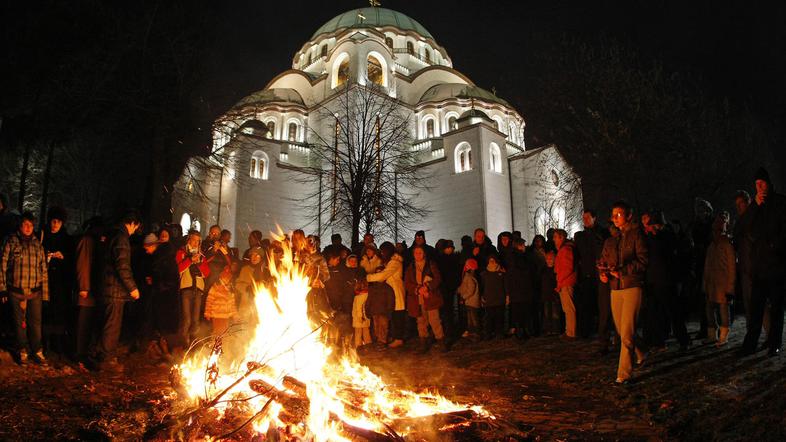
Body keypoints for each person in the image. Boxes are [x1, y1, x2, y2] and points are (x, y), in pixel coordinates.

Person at [599, 201, 648, 385]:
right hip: (615, 288)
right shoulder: (611, 241)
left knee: (626, 332)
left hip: (632, 286)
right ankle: (642, 352)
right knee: (622, 330)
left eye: (619, 214)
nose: (615, 218)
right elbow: (603, 260)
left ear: (628, 215)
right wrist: (603, 272)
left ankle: (624, 374)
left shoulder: (636, 236)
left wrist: (624, 271)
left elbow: (643, 260)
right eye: (613, 215)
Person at [740, 167, 786, 357]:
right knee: (755, 310)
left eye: (762, 183)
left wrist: (774, 246)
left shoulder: (781, 203)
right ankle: (750, 345)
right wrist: (754, 207)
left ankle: (774, 343)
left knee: (776, 310)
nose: (759, 187)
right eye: (756, 184)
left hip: (776, 267)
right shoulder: (755, 206)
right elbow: (741, 228)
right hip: (759, 268)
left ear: (768, 183)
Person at [0, 212, 49, 365]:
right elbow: (1, 266)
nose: (28, 228)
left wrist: (45, 295)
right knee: (19, 323)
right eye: (25, 224)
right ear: (20, 226)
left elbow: (44, 271)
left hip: (35, 292)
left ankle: (37, 351)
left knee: (35, 323)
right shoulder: (11, 242)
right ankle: (22, 351)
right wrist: (2, 288)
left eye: (31, 225)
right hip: (16, 291)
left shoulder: (37, 244)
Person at [97, 210, 142, 372]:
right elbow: (122, 265)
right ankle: (106, 359)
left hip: (108, 287)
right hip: (114, 290)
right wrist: (132, 288)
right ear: (131, 223)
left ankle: (102, 354)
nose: (135, 231)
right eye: (135, 227)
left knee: (108, 322)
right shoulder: (122, 238)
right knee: (112, 325)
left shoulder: (113, 235)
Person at [642, 211, 689, 351]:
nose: (648, 228)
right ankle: (661, 340)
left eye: (650, 225)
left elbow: (672, 257)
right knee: (660, 313)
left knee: (673, 312)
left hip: (666, 281)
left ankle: (682, 340)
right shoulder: (656, 237)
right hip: (656, 280)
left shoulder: (666, 237)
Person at [74, 217, 106, 368]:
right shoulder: (88, 240)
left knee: (88, 324)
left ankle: (85, 353)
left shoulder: (95, 240)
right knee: (83, 324)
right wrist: (83, 287)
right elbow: (83, 263)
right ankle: (80, 355)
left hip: (93, 289)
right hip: (87, 291)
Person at [732, 190, 765, 338]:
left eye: (741, 204)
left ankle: (768, 335)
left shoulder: (755, 218)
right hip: (745, 267)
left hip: (756, 267)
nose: (739, 208)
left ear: (748, 202)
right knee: (748, 304)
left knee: (759, 304)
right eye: (737, 205)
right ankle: (751, 336)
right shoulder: (741, 221)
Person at [40, 206, 72, 354]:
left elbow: (72, 260)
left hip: (60, 282)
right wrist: (46, 258)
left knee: (59, 311)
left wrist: (63, 257)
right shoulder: (42, 236)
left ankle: (57, 342)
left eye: (59, 222)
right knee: (45, 310)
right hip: (45, 281)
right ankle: (45, 342)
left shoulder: (66, 239)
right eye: (54, 221)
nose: (55, 224)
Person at [573, 209, 609, 339]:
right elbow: (577, 255)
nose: (585, 220)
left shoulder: (603, 233)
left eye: (588, 218)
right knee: (586, 304)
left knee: (603, 306)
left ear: (594, 218)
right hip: (587, 275)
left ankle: (604, 332)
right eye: (584, 218)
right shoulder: (580, 236)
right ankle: (586, 332)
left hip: (601, 275)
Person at [404, 244, 446, 352]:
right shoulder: (410, 267)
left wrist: (427, 286)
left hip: (430, 297)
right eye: (416, 253)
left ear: (424, 254)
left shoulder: (430, 264)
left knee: (434, 320)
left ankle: (441, 341)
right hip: (417, 299)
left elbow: (438, 278)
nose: (418, 255)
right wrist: (417, 289)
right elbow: (407, 283)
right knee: (421, 321)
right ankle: (424, 342)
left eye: (420, 253)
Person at [703, 212, 736, 346]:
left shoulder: (727, 244)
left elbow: (732, 266)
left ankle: (723, 335)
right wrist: (704, 284)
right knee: (709, 309)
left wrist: (730, 287)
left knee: (723, 309)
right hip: (712, 283)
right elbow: (707, 266)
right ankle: (712, 334)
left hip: (723, 283)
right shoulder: (712, 245)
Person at [366, 242, 405, 348]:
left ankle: (399, 338)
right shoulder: (389, 262)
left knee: (398, 314)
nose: (382, 253)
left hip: (396, 290)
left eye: (383, 251)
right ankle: (394, 336)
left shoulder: (395, 262)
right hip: (390, 290)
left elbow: (383, 275)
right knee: (392, 315)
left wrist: (368, 277)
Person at [176, 230, 212, 346]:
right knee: (187, 319)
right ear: (189, 240)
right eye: (194, 240)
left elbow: (207, 273)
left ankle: (192, 343)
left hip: (198, 290)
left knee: (196, 320)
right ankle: (183, 344)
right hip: (186, 289)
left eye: (198, 241)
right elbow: (178, 269)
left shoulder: (201, 255)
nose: (196, 243)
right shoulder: (181, 252)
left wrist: (200, 263)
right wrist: (190, 260)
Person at [507, 238, 537, 339]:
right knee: (522, 311)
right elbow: (526, 270)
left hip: (518, 290)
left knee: (520, 311)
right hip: (522, 289)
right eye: (523, 245)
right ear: (519, 246)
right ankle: (522, 330)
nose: (524, 246)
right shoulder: (520, 258)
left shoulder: (514, 258)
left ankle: (522, 330)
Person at [554, 229, 578, 339]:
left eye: (555, 237)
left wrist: (559, 282)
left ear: (561, 237)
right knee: (567, 308)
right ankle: (569, 331)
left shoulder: (566, 249)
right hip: (565, 282)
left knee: (569, 309)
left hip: (566, 282)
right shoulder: (564, 249)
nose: (554, 239)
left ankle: (571, 332)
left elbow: (567, 268)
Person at [435, 239, 461, 339]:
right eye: (448, 248)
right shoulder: (444, 260)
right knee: (447, 311)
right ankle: (448, 331)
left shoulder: (447, 259)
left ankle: (449, 331)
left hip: (448, 288)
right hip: (446, 288)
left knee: (448, 311)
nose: (450, 249)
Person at [480, 254, 507, 340]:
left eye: (493, 260)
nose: (492, 262)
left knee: (500, 317)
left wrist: (507, 296)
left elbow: (505, 285)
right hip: (489, 299)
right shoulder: (484, 274)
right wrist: (482, 296)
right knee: (489, 318)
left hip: (500, 298)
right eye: (490, 260)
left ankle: (499, 333)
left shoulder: (501, 273)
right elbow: (482, 286)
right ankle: (488, 333)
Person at [204, 267, 237, 336]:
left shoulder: (230, 290)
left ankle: (223, 345)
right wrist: (207, 312)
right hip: (216, 315)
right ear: (221, 278)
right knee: (217, 332)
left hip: (225, 316)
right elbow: (209, 300)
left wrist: (235, 315)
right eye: (224, 278)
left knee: (224, 332)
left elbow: (232, 304)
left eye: (228, 278)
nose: (226, 280)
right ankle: (215, 345)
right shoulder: (215, 287)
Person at [457, 258, 480, 338]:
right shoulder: (469, 277)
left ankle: (476, 333)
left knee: (473, 319)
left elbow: (470, 290)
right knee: (470, 319)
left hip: (471, 302)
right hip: (470, 302)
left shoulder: (469, 278)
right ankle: (471, 332)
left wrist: (463, 297)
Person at [541, 250, 561, 335]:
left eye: (551, 259)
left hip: (554, 295)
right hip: (545, 294)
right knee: (546, 313)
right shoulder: (543, 270)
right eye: (547, 258)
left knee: (555, 313)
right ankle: (548, 329)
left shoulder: (556, 270)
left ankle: (555, 329)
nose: (549, 260)